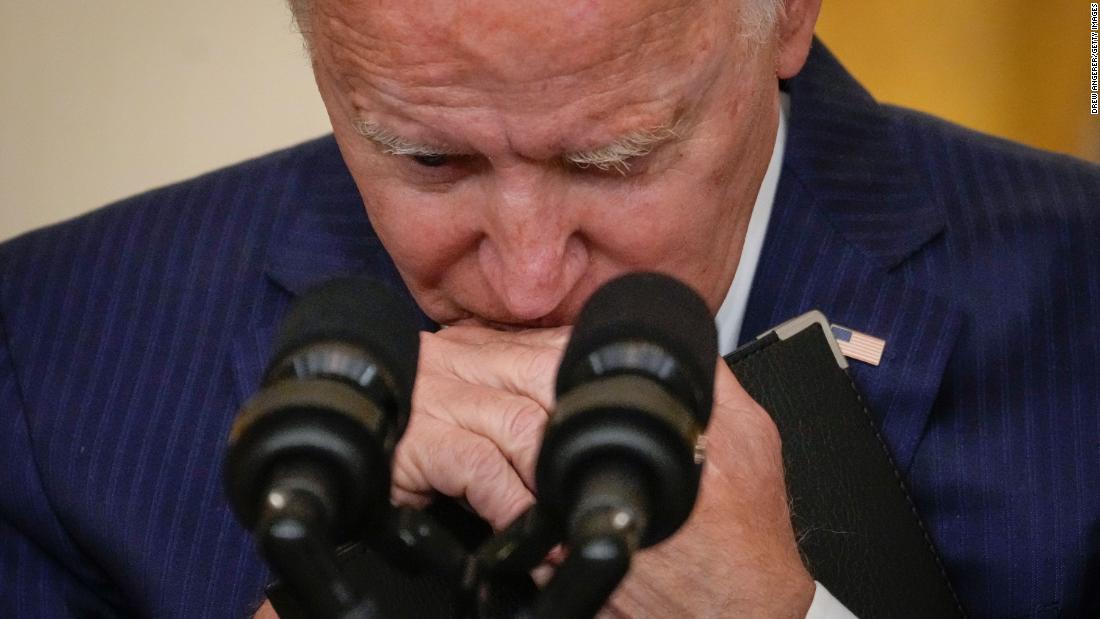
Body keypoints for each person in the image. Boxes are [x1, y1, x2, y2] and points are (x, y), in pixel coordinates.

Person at [1, 0, 1097, 617]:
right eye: (427, 158)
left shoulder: (1078, 292)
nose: (526, 280)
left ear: (787, 16)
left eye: (614, 160)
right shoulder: (47, 346)